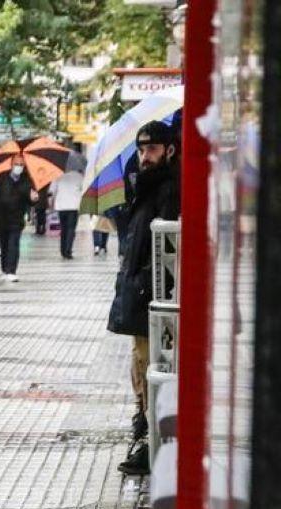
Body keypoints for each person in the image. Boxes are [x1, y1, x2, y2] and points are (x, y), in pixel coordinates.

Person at [107, 121, 180, 475]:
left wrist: (141, 285)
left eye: (151, 149)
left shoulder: (169, 189)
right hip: (140, 292)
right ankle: (145, 427)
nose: (144, 156)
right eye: (141, 149)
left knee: (153, 365)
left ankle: (154, 441)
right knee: (140, 364)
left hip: (156, 297)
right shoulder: (142, 188)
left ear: (169, 150)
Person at [0, 154, 39, 281]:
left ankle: (11, 271)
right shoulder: (1, 177)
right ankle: (5, 270)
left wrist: (34, 199)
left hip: (16, 218)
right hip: (1, 218)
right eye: (17, 164)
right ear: (11, 164)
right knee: (4, 245)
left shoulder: (27, 180)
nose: (19, 167)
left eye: (21, 164)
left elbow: (31, 199)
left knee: (13, 244)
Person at [51, 166, 84, 259]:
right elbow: (84, 189)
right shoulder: (79, 176)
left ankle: (63, 250)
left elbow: (51, 191)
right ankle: (68, 250)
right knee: (71, 229)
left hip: (61, 206)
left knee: (63, 229)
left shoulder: (58, 175)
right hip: (73, 206)